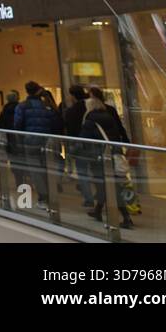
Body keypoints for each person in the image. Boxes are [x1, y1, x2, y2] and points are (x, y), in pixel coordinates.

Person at [79, 93, 135, 228]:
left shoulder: (90, 121)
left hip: (99, 157)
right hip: (114, 154)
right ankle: (98, 210)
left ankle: (126, 217)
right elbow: (117, 134)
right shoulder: (109, 118)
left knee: (107, 186)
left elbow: (84, 140)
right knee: (109, 185)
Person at [15, 80, 63, 208]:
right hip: (46, 141)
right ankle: (51, 194)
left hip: (30, 140)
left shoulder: (23, 106)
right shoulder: (47, 106)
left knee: (36, 170)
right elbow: (55, 124)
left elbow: (17, 124)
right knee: (47, 167)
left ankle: (43, 197)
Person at [63, 84, 95, 206]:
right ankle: (101, 196)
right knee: (96, 170)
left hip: (79, 143)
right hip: (94, 142)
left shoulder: (72, 111)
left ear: (72, 96)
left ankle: (88, 198)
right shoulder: (92, 106)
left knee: (83, 171)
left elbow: (69, 127)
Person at [0, 90, 24, 188]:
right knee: (23, 158)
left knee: (14, 159)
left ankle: (18, 179)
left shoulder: (5, 109)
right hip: (20, 138)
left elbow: (0, 124)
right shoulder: (20, 107)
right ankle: (23, 178)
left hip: (10, 138)